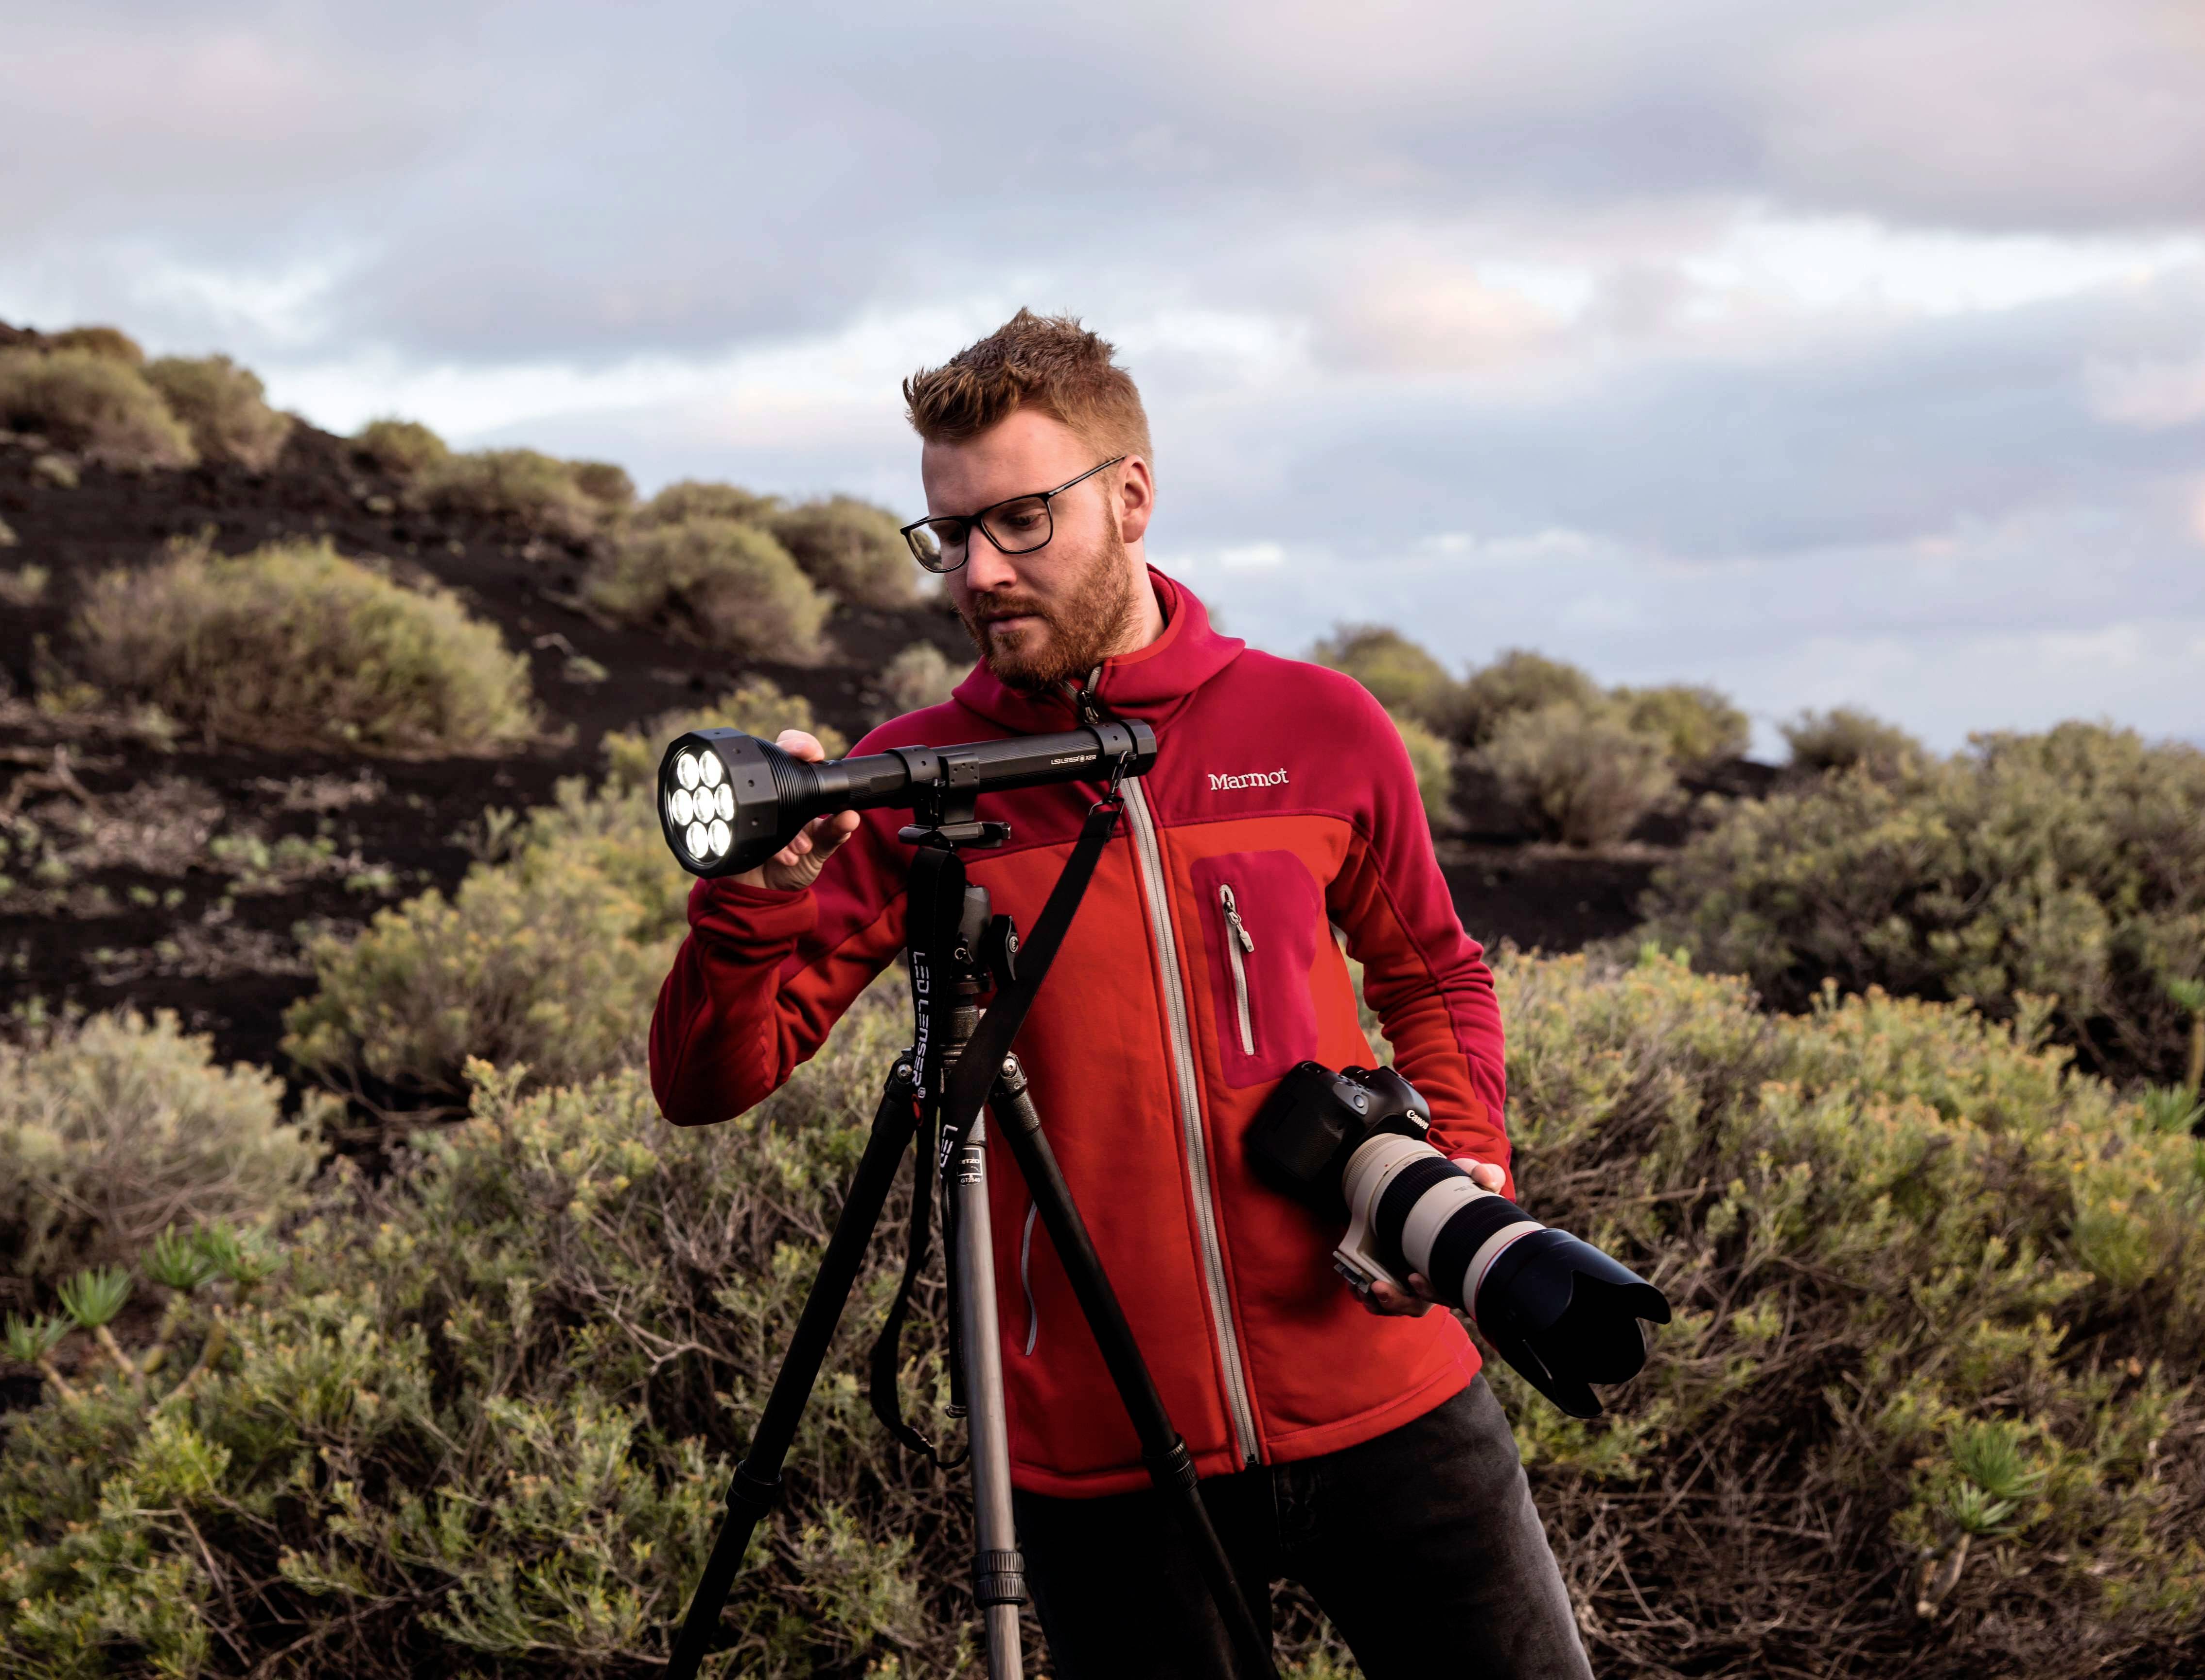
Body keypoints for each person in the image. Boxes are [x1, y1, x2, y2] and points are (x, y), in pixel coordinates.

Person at [648, 310, 1591, 1680]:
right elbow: (708, 1082)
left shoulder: (1317, 725)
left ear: (1131, 496)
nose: (978, 570)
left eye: (1020, 520)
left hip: (1393, 1399)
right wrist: (757, 895)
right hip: (1097, 1463)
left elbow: (1432, 969)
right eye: (947, 534)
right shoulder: (909, 782)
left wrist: (1464, 1167)